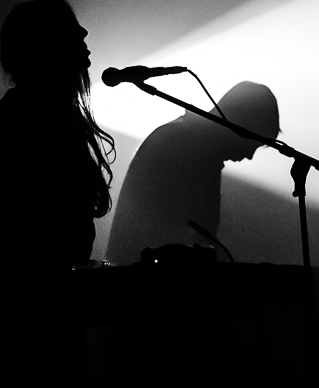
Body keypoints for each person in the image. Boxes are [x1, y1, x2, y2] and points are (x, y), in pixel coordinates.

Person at [0, 0, 115, 388]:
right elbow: (5, 225)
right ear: (48, 47)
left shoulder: (39, 115)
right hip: (26, 318)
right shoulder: (23, 119)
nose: (86, 40)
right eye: (74, 32)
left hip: (36, 311)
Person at [105, 81, 280, 265]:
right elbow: (167, 235)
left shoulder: (193, 146)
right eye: (252, 143)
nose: (250, 155)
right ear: (240, 123)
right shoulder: (180, 146)